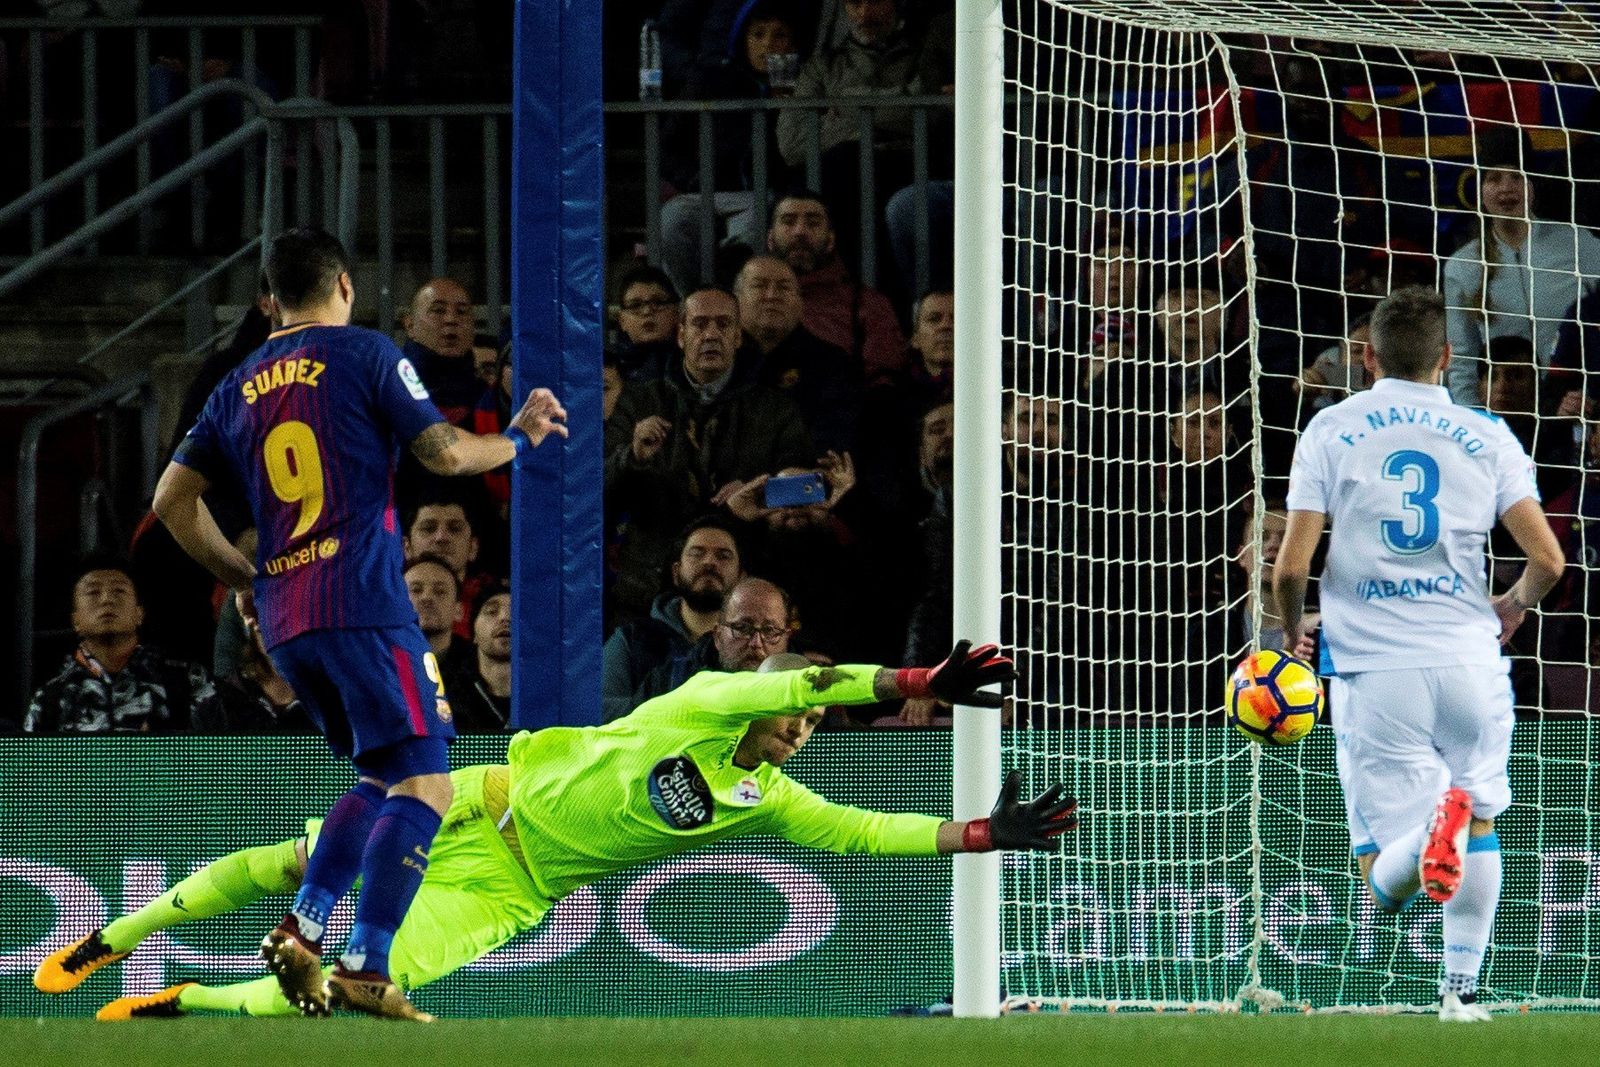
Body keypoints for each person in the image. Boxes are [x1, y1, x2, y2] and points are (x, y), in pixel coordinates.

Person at [37, 644, 1072, 1022]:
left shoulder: (762, 796)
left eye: (809, 727)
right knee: (294, 860)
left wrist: (980, 831)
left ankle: (186, 1002)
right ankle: (115, 935)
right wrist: (912, 680)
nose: (800, 729)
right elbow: (807, 674)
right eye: (792, 715)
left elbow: (860, 833)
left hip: (512, 889)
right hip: (484, 794)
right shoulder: (706, 701)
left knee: (359, 983)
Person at [151, 227, 569, 1020]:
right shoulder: (368, 352)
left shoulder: (233, 384)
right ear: (345, 283)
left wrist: (246, 576)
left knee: (381, 777)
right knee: (428, 781)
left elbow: (170, 503)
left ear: (270, 299)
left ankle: (304, 927)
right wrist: (517, 437)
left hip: (286, 621)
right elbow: (443, 453)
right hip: (363, 601)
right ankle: (367, 959)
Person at [1273, 285, 1567, 1023]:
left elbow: (1289, 567)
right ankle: (1461, 994)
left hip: (1376, 672)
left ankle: (1438, 819)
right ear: (1447, 356)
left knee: (1381, 875)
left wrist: (1288, 628)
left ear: (1366, 355)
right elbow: (1550, 561)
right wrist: (1513, 605)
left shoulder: (1332, 428)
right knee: (1483, 823)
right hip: (1471, 663)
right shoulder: (1489, 431)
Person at [604, 287, 814, 618]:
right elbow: (595, 488)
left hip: (746, 585)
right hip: (649, 587)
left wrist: (758, 494)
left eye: (723, 324)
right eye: (700, 324)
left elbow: (804, 488)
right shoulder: (639, 401)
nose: (711, 334)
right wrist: (634, 456)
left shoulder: (776, 410)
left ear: (738, 337)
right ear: (681, 335)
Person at [1442, 127, 1600, 406]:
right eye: (1494, 178)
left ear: (1532, 186)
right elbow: (1462, 360)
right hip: (1503, 412)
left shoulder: (1580, 244)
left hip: (1574, 406)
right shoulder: (1461, 267)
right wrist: (1474, 420)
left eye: (1517, 177)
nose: (1506, 188)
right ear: (1480, 189)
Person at [24, 558, 220, 735]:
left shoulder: (187, 680)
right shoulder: (50, 699)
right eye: (92, 592)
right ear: (76, 621)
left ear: (139, 614)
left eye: (119, 590)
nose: (107, 600)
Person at [601, 516, 744, 723]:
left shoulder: (756, 641)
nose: (710, 562)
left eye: (723, 556)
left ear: (741, 576)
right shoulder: (631, 639)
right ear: (676, 572)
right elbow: (601, 712)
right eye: (697, 554)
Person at [765, 191, 906, 381]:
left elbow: (882, 385)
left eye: (813, 223)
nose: (799, 231)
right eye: (789, 221)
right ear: (771, 239)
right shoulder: (745, 301)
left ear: (831, 240)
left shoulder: (868, 306)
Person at [733, 253, 863, 451]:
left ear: (801, 304)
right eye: (759, 285)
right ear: (735, 300)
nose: (772, 296)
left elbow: (834, 440)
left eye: (784, 287)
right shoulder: (719, 358)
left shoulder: (831, 363)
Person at [401, 277, 482, 425]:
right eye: (438, 310)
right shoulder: (389, 390)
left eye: (462, 312)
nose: (451, 319)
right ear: (410, 325)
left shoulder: (490, 397)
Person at [443, 583, 514, 732]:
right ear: (473, 633)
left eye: (516, 612)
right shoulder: (446, 696)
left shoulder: (550, 696)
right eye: (492, 611)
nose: (505, 618)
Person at [403, 553, 472, 674]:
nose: (426, 597)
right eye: (415, 590)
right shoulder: (376, 659)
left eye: (440, 591)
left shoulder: (478, 665)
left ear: (459, 611)